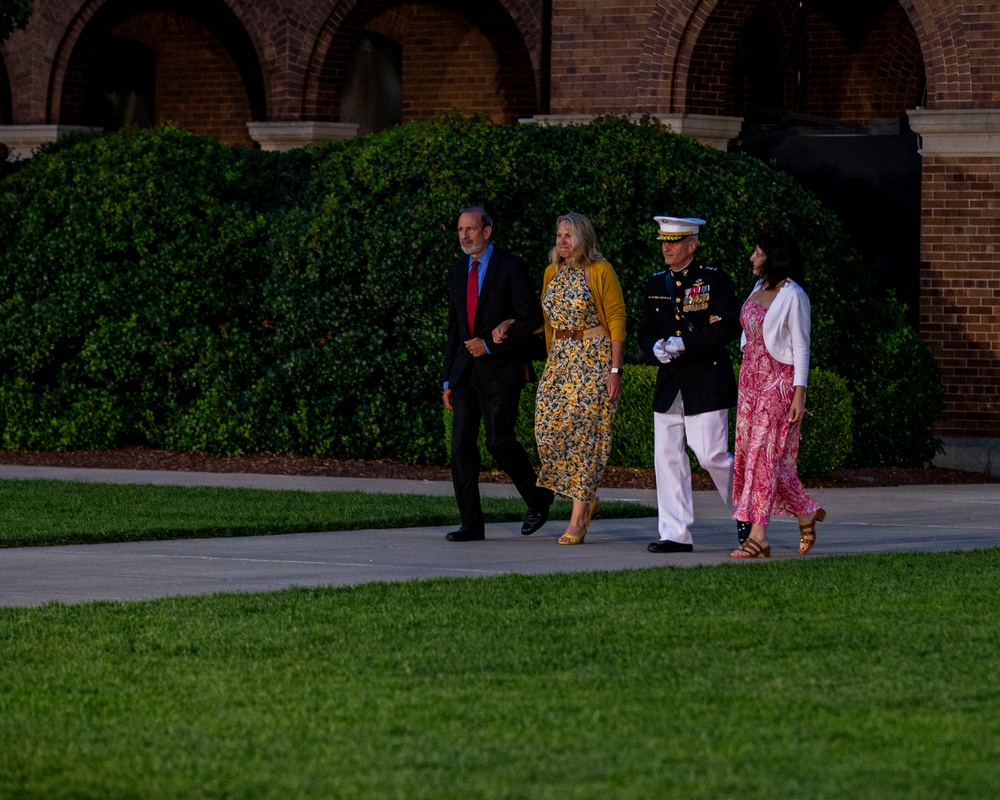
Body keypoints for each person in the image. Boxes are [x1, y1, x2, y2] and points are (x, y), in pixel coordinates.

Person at [496, 213, 626, 545]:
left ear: (584, 238)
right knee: (548, 431)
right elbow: (546, 318)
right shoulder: (551, 273)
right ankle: (587, 499)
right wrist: (512, 322)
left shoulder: (600, 271)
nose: (562, 242)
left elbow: (616, 318)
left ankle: (578, 518)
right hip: (560, 361)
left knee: (583, 437)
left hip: (593, 358)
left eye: (569, 235)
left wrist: (615, 370)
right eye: (558, 235)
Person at [442, 207, 554, 542]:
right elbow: (453, 329)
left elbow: (531, 318)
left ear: (487, 231)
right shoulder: (457, 271)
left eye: (471, 229)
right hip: (464, 372)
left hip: (501, 369)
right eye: (461, 230)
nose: (465, 235)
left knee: (499, 441)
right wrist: (447, 379)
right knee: (461, 447)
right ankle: (471, 524)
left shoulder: (511, 266)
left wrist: (490, 343)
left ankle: (538, 497)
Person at [638, 215, 742, 553]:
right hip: (670, 381)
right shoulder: (656, 283)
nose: (666, 247)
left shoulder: (715, 280)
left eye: (675, 241)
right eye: (664, 241)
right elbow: (645, 328)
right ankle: (674, 533)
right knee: (667, 457)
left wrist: (688, 343)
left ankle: (746, 514)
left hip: (706, 377)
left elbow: (727, 327)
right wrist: (654, 347)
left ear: (691, 244)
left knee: (711, 455)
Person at [730, 230, 825, 558]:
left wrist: (800, 394)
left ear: (774, 257)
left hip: (778, 385)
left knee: (762, 456)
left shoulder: (794, 295)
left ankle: (759, 537)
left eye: (758, 252)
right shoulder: (759, 287)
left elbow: (802, 346)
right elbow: (751, 330)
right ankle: (806, 512)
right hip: (750, 383)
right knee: (760, 459)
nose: (753, 258)